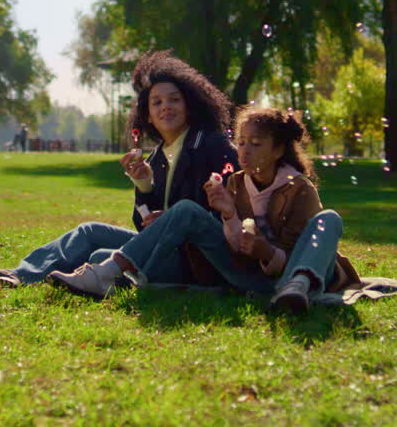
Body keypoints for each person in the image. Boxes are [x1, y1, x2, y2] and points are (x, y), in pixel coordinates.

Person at [0, 50, 238, 287]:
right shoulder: (157, 158)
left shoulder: (211, 145)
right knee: (89, 233)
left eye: (175, 99)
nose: (166, 107)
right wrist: (144, 187)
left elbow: (232, 208)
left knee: (103, 254)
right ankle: (17, 276)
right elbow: (143, 226)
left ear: (191, 104)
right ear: (147, 114)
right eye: (157, 102)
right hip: (163, 250)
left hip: (196, 258)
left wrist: (172, 222)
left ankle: (95, 278)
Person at [47, 106, 360, 314]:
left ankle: (298, 291)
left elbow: (299, 251)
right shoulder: (236, 183)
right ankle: (109, 271)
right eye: (241, 143)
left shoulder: (299, 189)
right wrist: (227, 213)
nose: (245, 151)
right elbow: (237, 249)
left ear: (278, 149)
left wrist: (267, 252)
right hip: (241, 277)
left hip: (281, 282)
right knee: (186, 210)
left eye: (256, 144)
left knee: (329, 218)